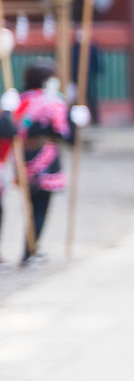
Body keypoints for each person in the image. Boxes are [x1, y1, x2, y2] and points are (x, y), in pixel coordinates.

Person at [0, 63, 86, 265]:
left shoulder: (20, 100)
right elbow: (63, 133)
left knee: (30, 205)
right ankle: (30, 250)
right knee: (40, 206)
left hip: (23, 157)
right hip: (45, 155)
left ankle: (30, 249)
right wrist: (75, 121)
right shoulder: (53, 101)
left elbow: (13, 130)